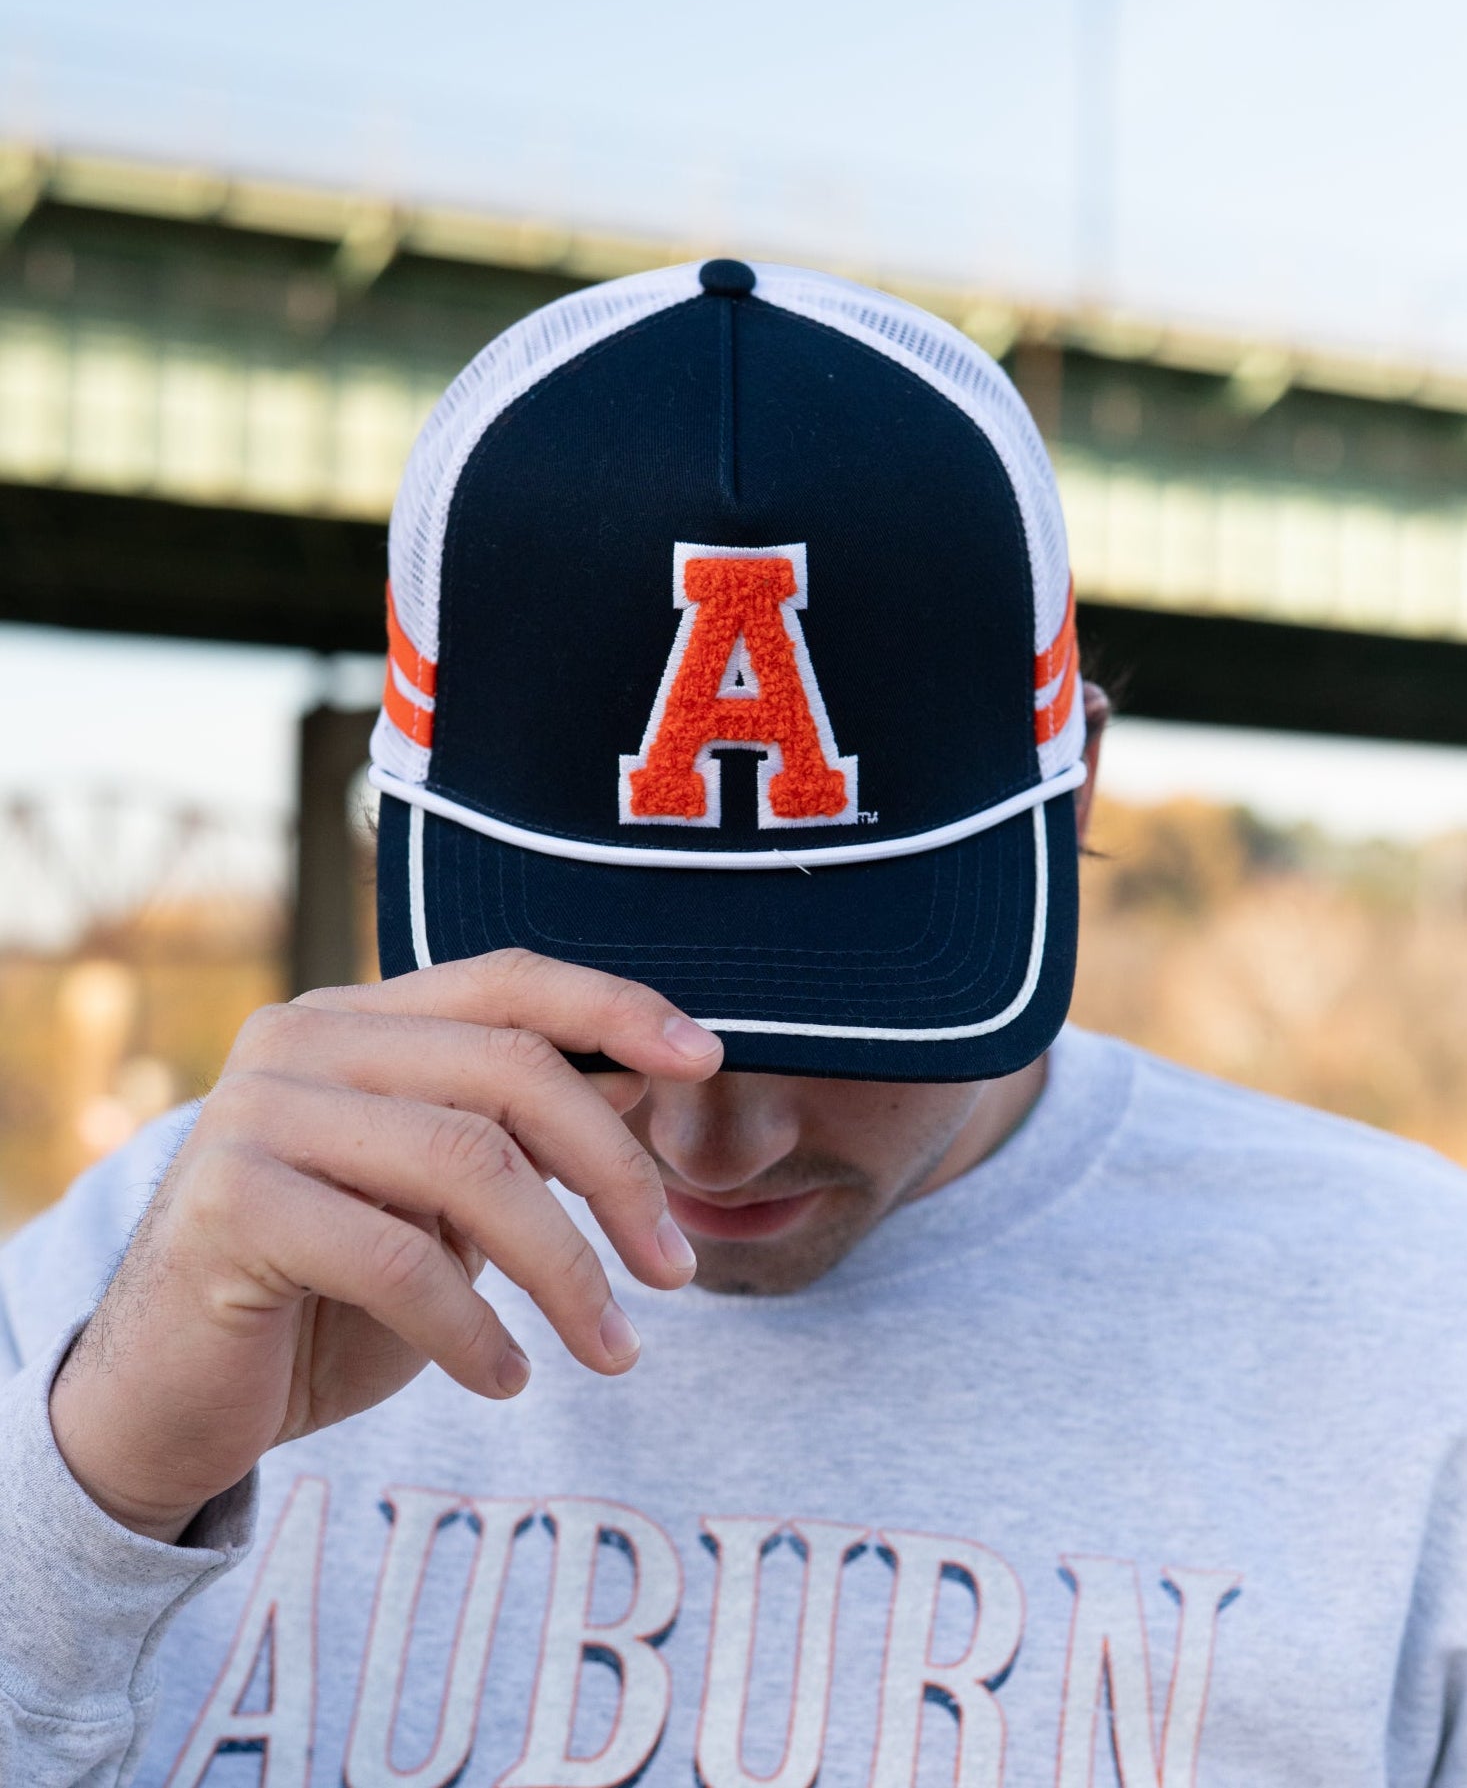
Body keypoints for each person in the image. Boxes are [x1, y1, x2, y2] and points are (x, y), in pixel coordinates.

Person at [1, 259, 1464, 1788]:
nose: (711, 1131)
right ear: (410, 820)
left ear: (1077, 788)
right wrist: (91, 1513)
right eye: (599, 1007)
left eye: (854, 997)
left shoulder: (1419, 1332)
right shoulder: (170, 1252)